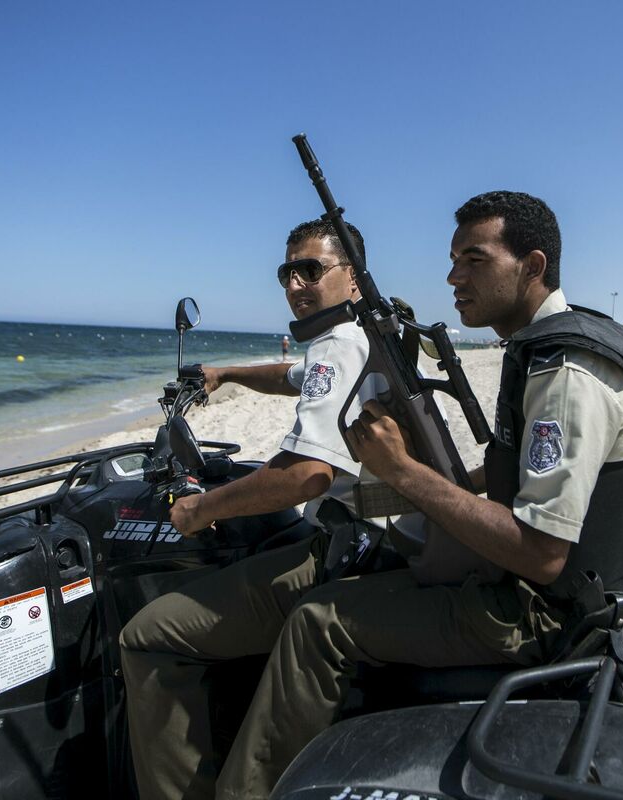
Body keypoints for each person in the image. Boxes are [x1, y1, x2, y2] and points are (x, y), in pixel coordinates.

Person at [213, 190, 623, 799]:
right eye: (453, 261)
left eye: (474, 260)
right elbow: (510, 482)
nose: (453, 278)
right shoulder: (550, 343)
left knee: (317, 624)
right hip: (561, 589)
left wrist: (402, 472)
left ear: (532, 266)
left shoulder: (566, 373)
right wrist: (393, 491)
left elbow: (541, 555)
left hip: (552, 614)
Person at [120, 218, 413, 800]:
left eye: (311, 269)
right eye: (287, 272)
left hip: (349, 553)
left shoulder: (339, 346)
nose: (296, 284)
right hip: (389, 532)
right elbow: (294, 376)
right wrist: (227, 372)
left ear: (353, 278)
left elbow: (307, 474)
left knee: (147, 636)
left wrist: (202, 509)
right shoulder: (374, 334)